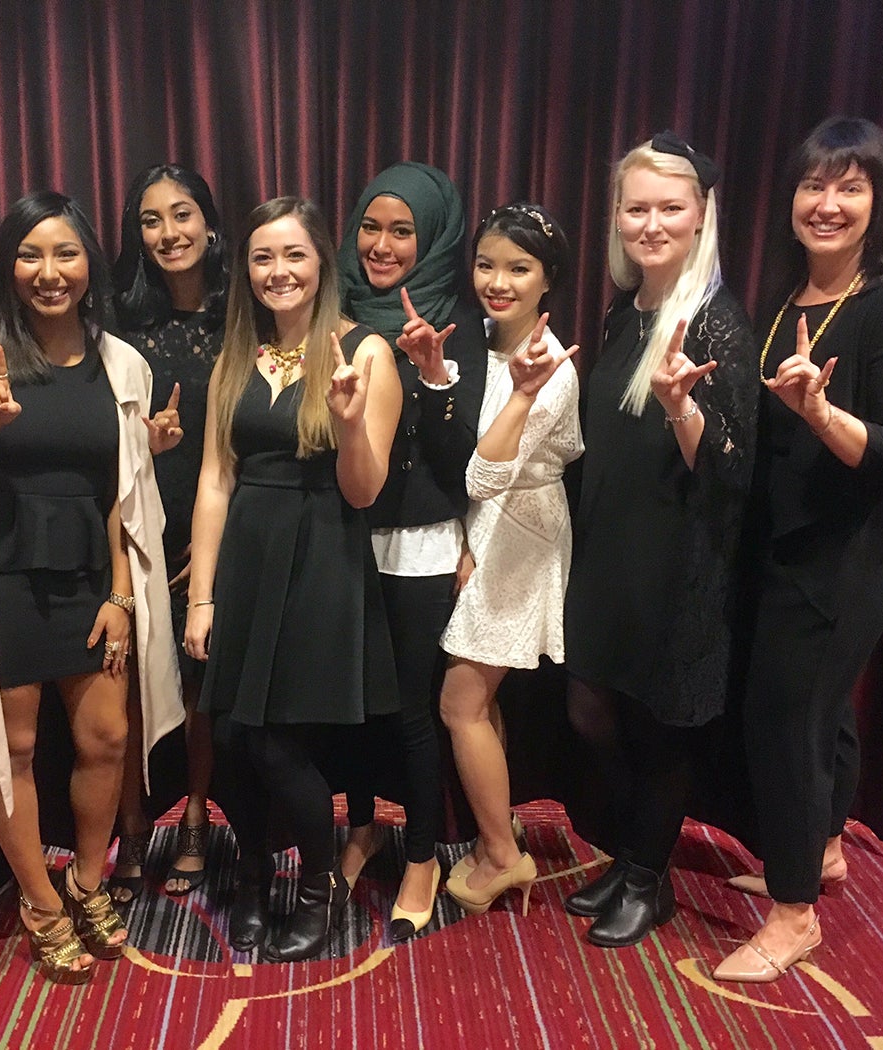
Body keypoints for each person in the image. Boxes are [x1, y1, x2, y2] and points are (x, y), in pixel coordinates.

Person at [0, 191, 183, 984]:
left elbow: (123, 491)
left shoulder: (124, 362)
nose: (49, 273)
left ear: (90, 263)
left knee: (106, 739)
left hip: (92, 573)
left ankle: (87, 884)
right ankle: (40, 905)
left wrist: (122, 596)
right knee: (10, 747)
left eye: (66, 254)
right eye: (31, 254)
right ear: (7, 265)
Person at [712, 117, 883, 982]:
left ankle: (793, 912)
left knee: (788, 719)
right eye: (815, 185)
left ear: (878, 201)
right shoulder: (784, 298)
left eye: (850, 187)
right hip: (781, 545)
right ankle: (822, 849)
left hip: (845, 558)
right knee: (823, 712)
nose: (828, 204)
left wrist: (821, 412)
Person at [185, 197, 400, 961]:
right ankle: (248, 879)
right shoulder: (233, 356)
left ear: (321, 264)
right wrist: (202, 595)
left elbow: (365, 490)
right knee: (235, 742)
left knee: (279, 746)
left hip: (322, 560)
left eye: (293, 256)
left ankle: (316, 891)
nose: (278, 272)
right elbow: (215, 479)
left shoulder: (365, 352)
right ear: (246, 271)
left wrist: (345, 423)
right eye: (262, 258)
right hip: (245, 555)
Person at [561, 134, 757, 947]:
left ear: (702, 215)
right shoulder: (623, 310)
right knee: (591, 712)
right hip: (609, 556)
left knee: (659, 724)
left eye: (669, 208)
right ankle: (634, 855)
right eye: (636, 207)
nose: (651, 223)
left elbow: (731, 470)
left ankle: (647, 878)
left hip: (681, 564)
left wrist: (681, 405)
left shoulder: (717, 324)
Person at [334, 161, 487, 941]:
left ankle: (422, 854)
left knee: (412, 714)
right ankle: (361, 825)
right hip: (344, 537)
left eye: (402, 231)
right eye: (371, 226)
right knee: (354, 703)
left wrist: (432, 374)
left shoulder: (461, 317)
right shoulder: (335, 309)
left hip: (421, 546)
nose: (382, 245)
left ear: (432, 239)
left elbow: (468, 458)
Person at [439, 204, 582, 918]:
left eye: (518, 268)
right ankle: (500, 832)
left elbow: (483, 477)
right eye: (487, 264)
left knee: (459, 703)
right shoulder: (482, 344)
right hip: (490, 529)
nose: (498, 281)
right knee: (480, 698)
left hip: (518, 533)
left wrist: (526, 391)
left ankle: (500, 855)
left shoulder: (552, 368)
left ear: (547, 279)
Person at [110, 164, 228, 902]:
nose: (168, 233)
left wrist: (216, 547)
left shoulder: (242, 311)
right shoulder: (120, 318)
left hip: (218, 527)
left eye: (181, 215)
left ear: (209, 223)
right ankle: (129, 825)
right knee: (122, 692)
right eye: (151, 219)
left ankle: (192, 819)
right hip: (138, 523)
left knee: (198, 692)